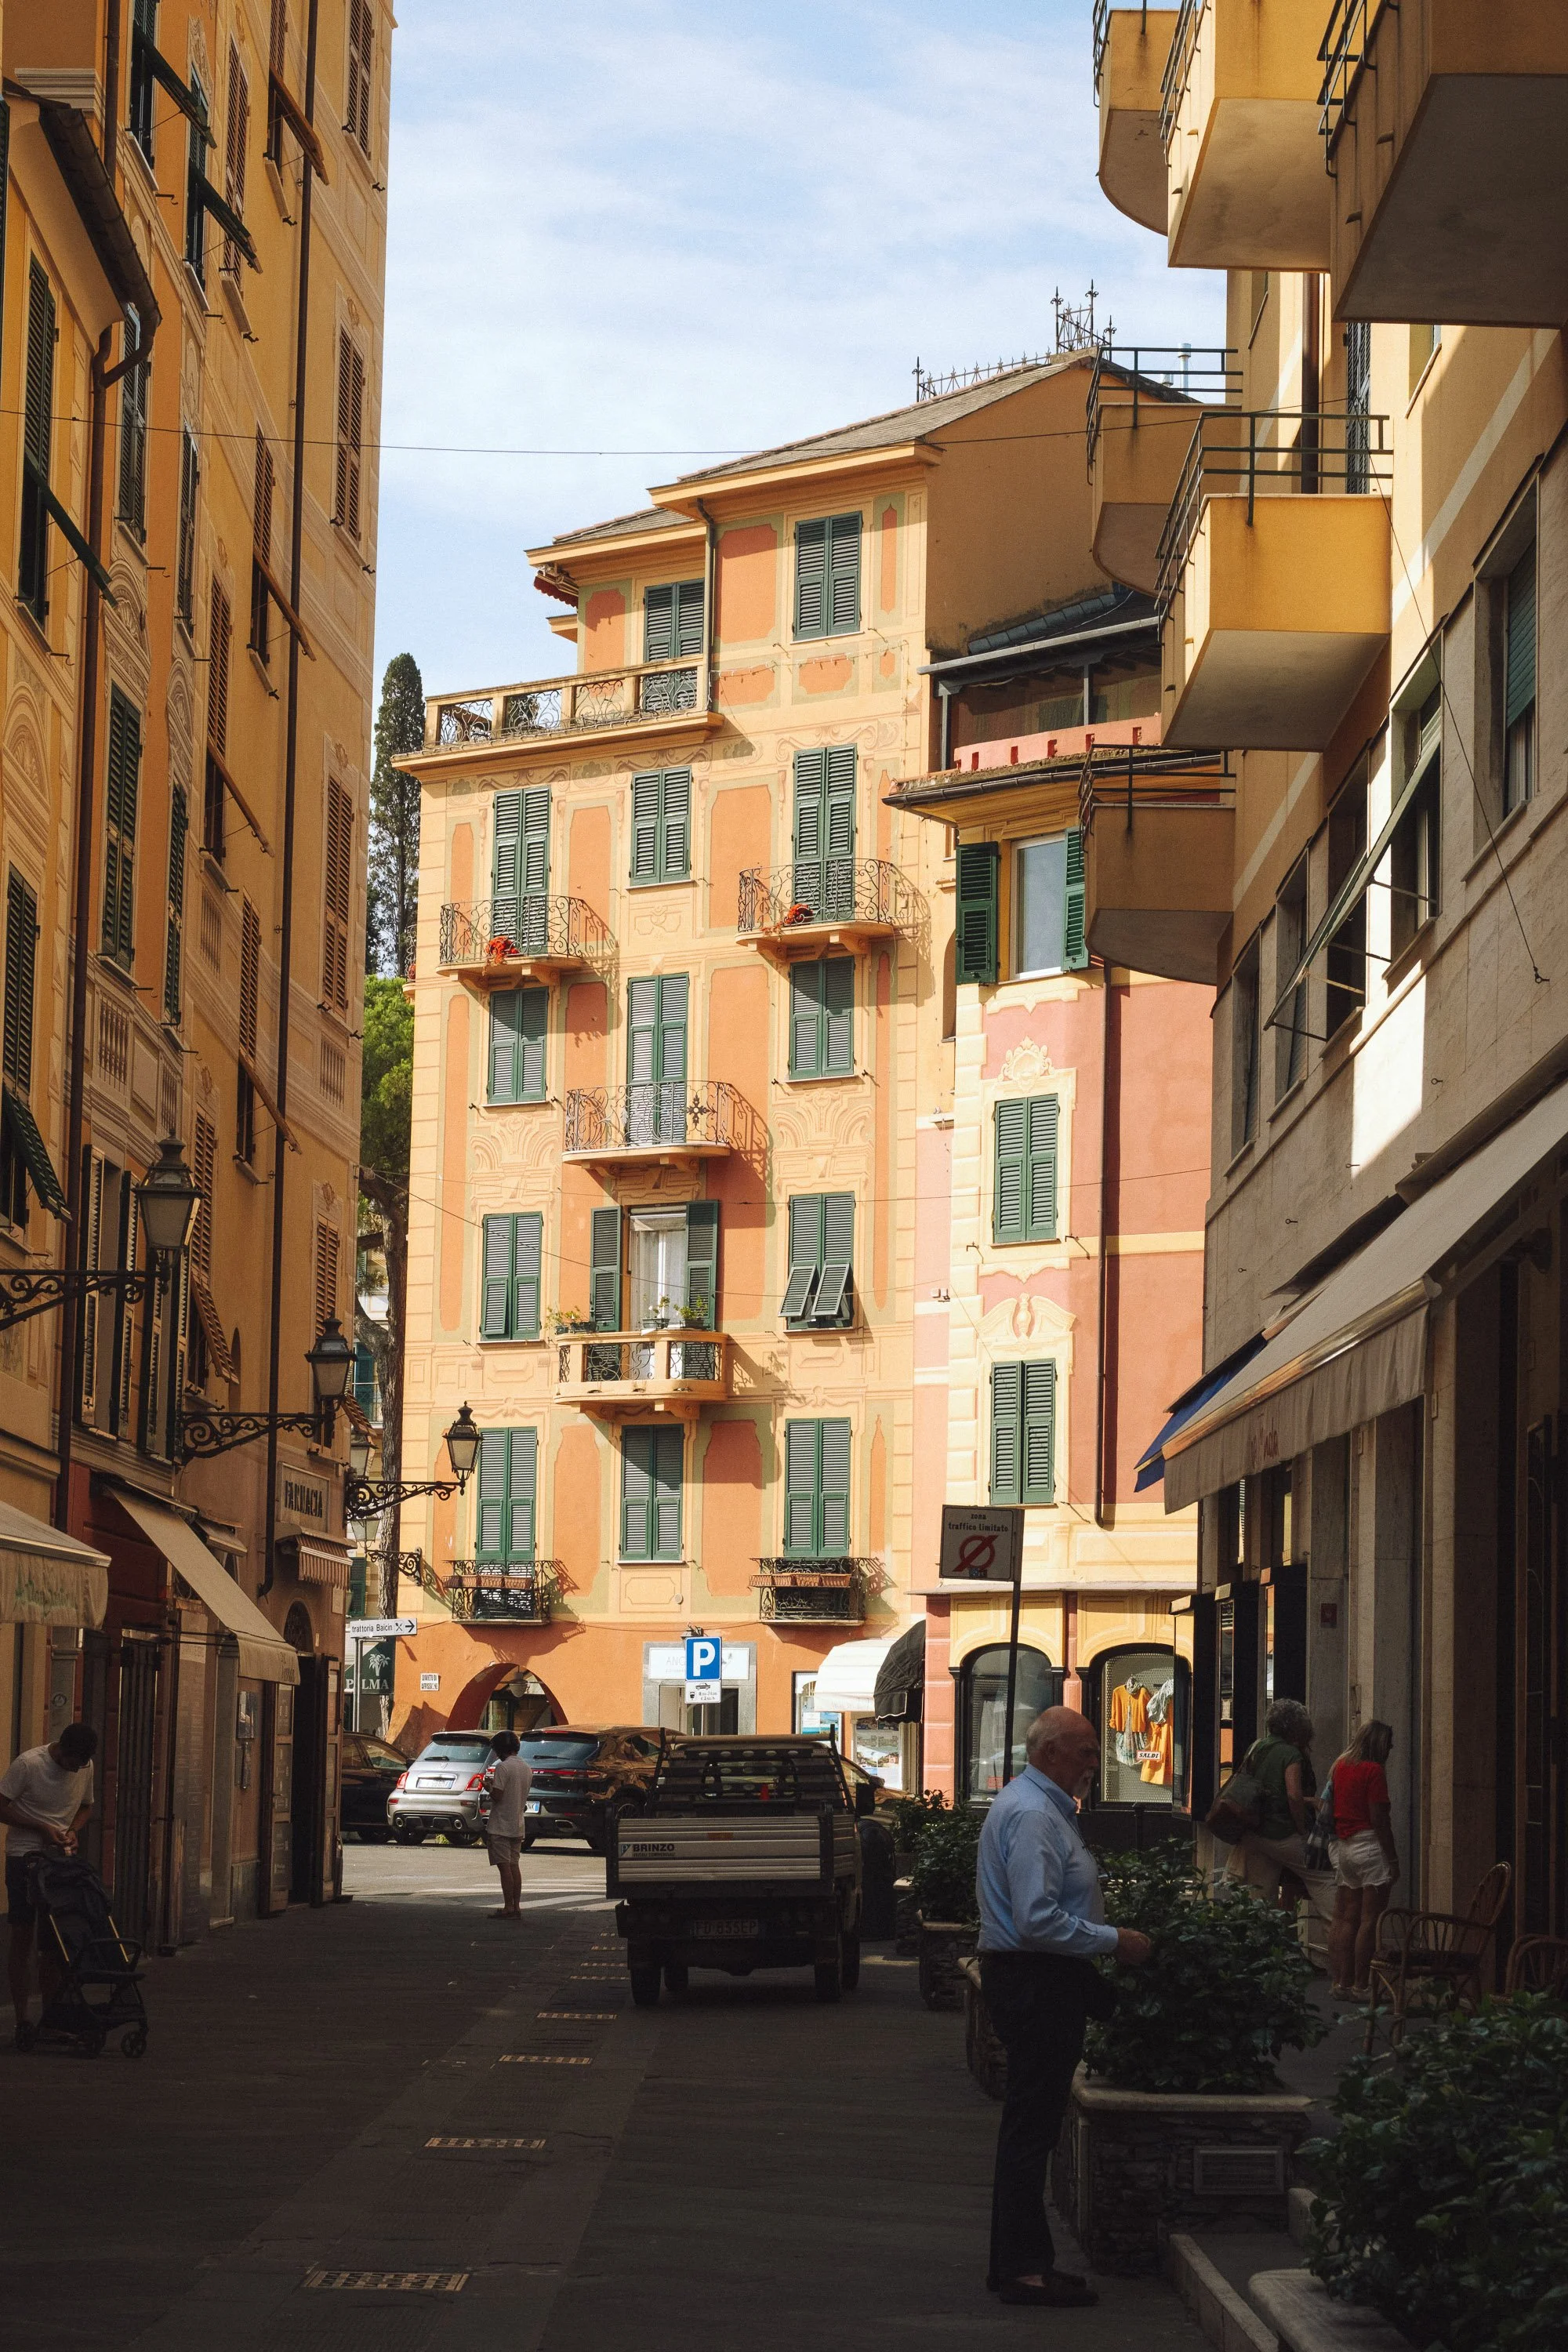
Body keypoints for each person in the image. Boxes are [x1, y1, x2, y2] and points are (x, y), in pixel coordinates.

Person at [977, 1705, 1152, 2310]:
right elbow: (1037, 1919)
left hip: (1043, 1979)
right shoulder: (1032, 1815)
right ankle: (1025, 2270)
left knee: (1032, 2125)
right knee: (1031, 2127)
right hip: (1037, 1980)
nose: (1092, 1763)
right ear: (1050, 1752)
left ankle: (1022, 2263)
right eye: (1083, 1751)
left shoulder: (1041, 1808)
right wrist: (1115, 1941)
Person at [1, 1721, 99, 2036]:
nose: (76, 1770)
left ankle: (51, 2018)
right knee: (22, 1935)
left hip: (60, 1860)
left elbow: (86, 1806)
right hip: (24, 1857)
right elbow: (1, 1807)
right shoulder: (29, 1764)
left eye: (81, 1765)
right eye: (73, 1763)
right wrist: (41, 1828)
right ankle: (21, 2019)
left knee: (55, 1940)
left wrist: (73, 1831)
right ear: (61, 1750)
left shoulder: (85, 1766)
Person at [1225, 1697, 1335, 1943]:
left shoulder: (1257, 1747)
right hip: (1280, 1832)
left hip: (1254, 1833)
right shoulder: (1291, 1754)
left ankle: (1261, 1955)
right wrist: (1300, 1830)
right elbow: (1293, 1794)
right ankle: (1336, 1937)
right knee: (1325, 1877)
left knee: (1260, 1901)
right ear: (1298, 1728)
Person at [1324, 1719, 1398, 1999]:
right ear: (1378, 1744)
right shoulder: (1374, 1771)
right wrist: (1393, 1860)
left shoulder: (1341, 1767)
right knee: (1370, 1919)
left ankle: (1341, 1982)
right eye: (1388, 1743)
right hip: (1370, 1847)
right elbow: (1379, 1819)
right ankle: (1361, 1984)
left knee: (1344, 1916)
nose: (1391, 1748)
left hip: (1344, 1846)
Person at [484, 1730, 532, 1920]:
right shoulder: (526, 1768)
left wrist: (488, 1787)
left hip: (501, 1825)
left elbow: (498, 1795)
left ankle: (508, 1907)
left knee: (504, 1868)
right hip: (517, 1824)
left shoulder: (503, 1768)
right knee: (514, 1866)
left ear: (501, 1750)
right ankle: (517, 1906)